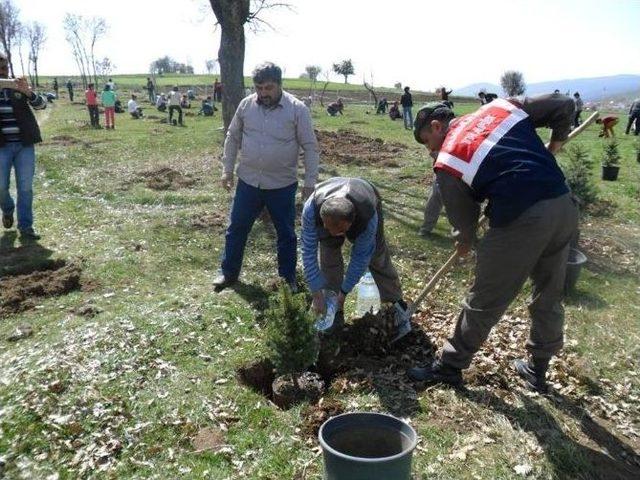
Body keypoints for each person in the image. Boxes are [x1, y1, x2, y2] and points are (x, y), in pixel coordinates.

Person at [408, 94, 578, 393]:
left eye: (426, 143)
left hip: (522, 218)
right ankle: (538, 370)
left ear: (436, 127)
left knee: (485, 297)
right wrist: (555, 145)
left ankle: (450, 366)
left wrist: (464, 240)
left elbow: (464, 222)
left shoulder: (448, 158)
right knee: (549, 291)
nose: (428, 152)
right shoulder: (500, 108)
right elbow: (562, 103)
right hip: (562, 205)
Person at [213, 62, 319, 291]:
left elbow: (310, 146)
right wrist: (227, 169)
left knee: (286, 234)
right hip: (249, 181)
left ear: (280, 85)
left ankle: (287, 279)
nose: (263, 93)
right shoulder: (246, 106)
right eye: (259, 88)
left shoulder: (297, 109)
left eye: (268, 88)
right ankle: (228, 273)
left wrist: (310, 183)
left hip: (282, 184)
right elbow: (232, 137)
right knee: (237, 228)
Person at [301, 177, 411, 338]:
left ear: (351, 224)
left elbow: (360, 259)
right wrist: (317, 293)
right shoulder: (311, 210)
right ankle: (333, 310)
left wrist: (344, 292)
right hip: (328, 211)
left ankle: (395, 304)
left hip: (365, 194)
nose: (334, 235)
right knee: (328, 257)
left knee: (376, 256)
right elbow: (308, 252)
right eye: (330, 229)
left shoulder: (368, 217)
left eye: (340, 232)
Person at [0, 54, 47, 240]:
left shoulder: (18, 85)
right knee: (1, 186)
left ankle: (26, 226)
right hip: (1, 147)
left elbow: (42, 105)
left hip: (24, 146)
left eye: (3, 69)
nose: (2, 73)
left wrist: (28, 92)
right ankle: (7, 209)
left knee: (25, 187)